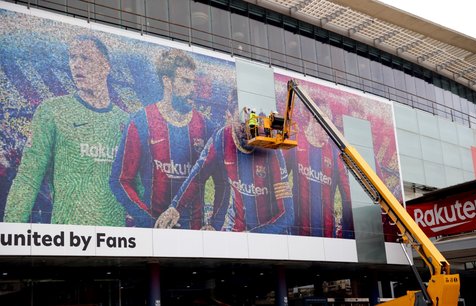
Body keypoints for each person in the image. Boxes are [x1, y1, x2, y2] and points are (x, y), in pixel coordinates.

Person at [4, 35, 129, 226]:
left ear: (105, 66)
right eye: (72, 57)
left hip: (117, 241)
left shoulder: (125, 121)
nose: (76, 64)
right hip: (68, 239)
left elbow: (136, 185)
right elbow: (28, 179)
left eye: (85, 58)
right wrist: (10, 232)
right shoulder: (52, 111)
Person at [110, 49, 213, 228]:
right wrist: (148, 220)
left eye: (193, 82)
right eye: (185, 81)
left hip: (195, 235)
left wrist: (215, 223)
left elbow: (222, 179)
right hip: (152, 232)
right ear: (167, 81)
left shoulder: (205, 126)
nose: (192, 89)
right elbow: (120, 180)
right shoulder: (141, 121)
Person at [155, 108, 294, 234]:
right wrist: (175, 208)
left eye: (252, 125)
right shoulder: (221, 138)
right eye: (242, 124)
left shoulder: (271, 150)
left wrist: (253, 236)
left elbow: (287, 215)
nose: (248, 130)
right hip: (237, 229)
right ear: (229, 116)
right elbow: (198, 174)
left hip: (267, 233)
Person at [283, 102, 354, 238]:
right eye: (324, 123)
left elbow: (347, 196)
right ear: (313, 121)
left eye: (330, 123)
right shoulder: (296, 140)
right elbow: (280, 179)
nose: (327, 130)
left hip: (326, 232)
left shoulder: (335, 153)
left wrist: (348, 232)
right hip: (298, 230)